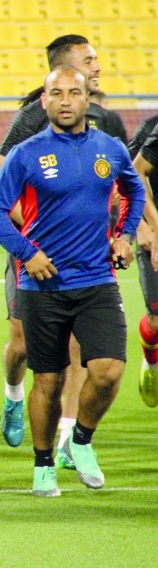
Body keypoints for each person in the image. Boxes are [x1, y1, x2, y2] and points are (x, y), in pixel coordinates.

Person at [0, 66, 144, 496]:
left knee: (108, 371)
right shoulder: (27, 153)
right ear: (45, 101)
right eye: (58, 93)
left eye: (75, 92)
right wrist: (27, 254)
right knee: (49, 382)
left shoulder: (109, 148)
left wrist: (126, 235)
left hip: (97, 280)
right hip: (43, 286)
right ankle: (42, 465)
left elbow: (135, 190)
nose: (67, 100)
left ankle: (81, 440)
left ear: (87, 99)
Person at [127, 119, 158, 407]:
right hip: (154, 234)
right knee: (156, 321)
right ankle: (151, 362)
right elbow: (129, 176)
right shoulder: (150, 129)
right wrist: (144, 226)